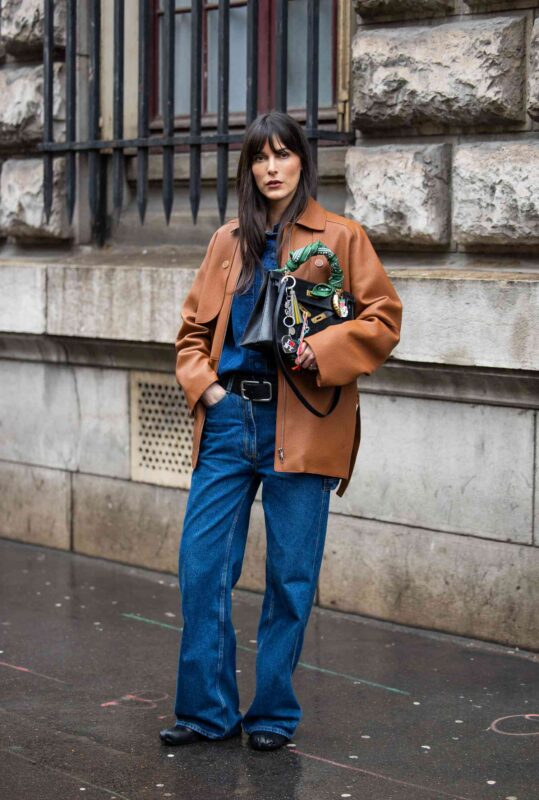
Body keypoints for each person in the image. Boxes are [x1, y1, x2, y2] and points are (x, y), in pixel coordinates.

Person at [159, 111, 402, 751]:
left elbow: (382, 320)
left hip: (302, 424)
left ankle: (270, 716)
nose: (271, 168)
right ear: (248, 168)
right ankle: (208, 712)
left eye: (283, 155)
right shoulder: (227, 242)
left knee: (290, 581)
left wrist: (320, 352)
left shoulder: (341, 237)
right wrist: (206, 388)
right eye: (260, 158)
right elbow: (190, 335)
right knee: (202, 569)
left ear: (302, 162)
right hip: (229, 419)